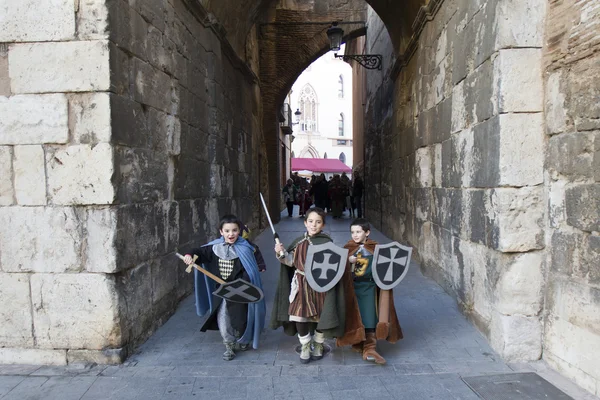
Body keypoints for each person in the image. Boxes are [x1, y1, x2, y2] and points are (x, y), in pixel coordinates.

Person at [270, 208, 354, 364]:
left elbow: (334, 264)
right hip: (301, 284)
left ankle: (318, 343)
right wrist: (281, 253)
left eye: (318, 222)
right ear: (305, 223)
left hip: (321, 286)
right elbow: (290, 262)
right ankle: (305, 344)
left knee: (322, 316)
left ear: (322, 225)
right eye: (310, 221)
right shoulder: (298, 242)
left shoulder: (327, 242)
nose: (313, 225)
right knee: (299, 315)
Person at [183, 215, 266, 361]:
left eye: (234, 230)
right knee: (223, 318)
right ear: (221, 232)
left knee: (240, 318)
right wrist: (190, 255)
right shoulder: (214, 248)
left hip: (239, 290)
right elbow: (199, 252)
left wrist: (244, 281)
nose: (231, 234)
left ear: (239, 230)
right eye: (227, 231)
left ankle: (242, 339)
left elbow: (251, 267)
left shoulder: (245, 247)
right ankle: (229, 344)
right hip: (221, 291)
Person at [336, 218, 403, 364]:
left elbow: (386, 268)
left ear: (367, 232)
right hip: (353, 288)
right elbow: (337, 268)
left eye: (358, 232)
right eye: (352, 232)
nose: (355, 235)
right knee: (354, 316)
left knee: (370, 316)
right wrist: (348, 261)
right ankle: (358, 341)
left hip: (370, 288)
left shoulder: (377, 248)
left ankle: (370, 348)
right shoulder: (347, 249)